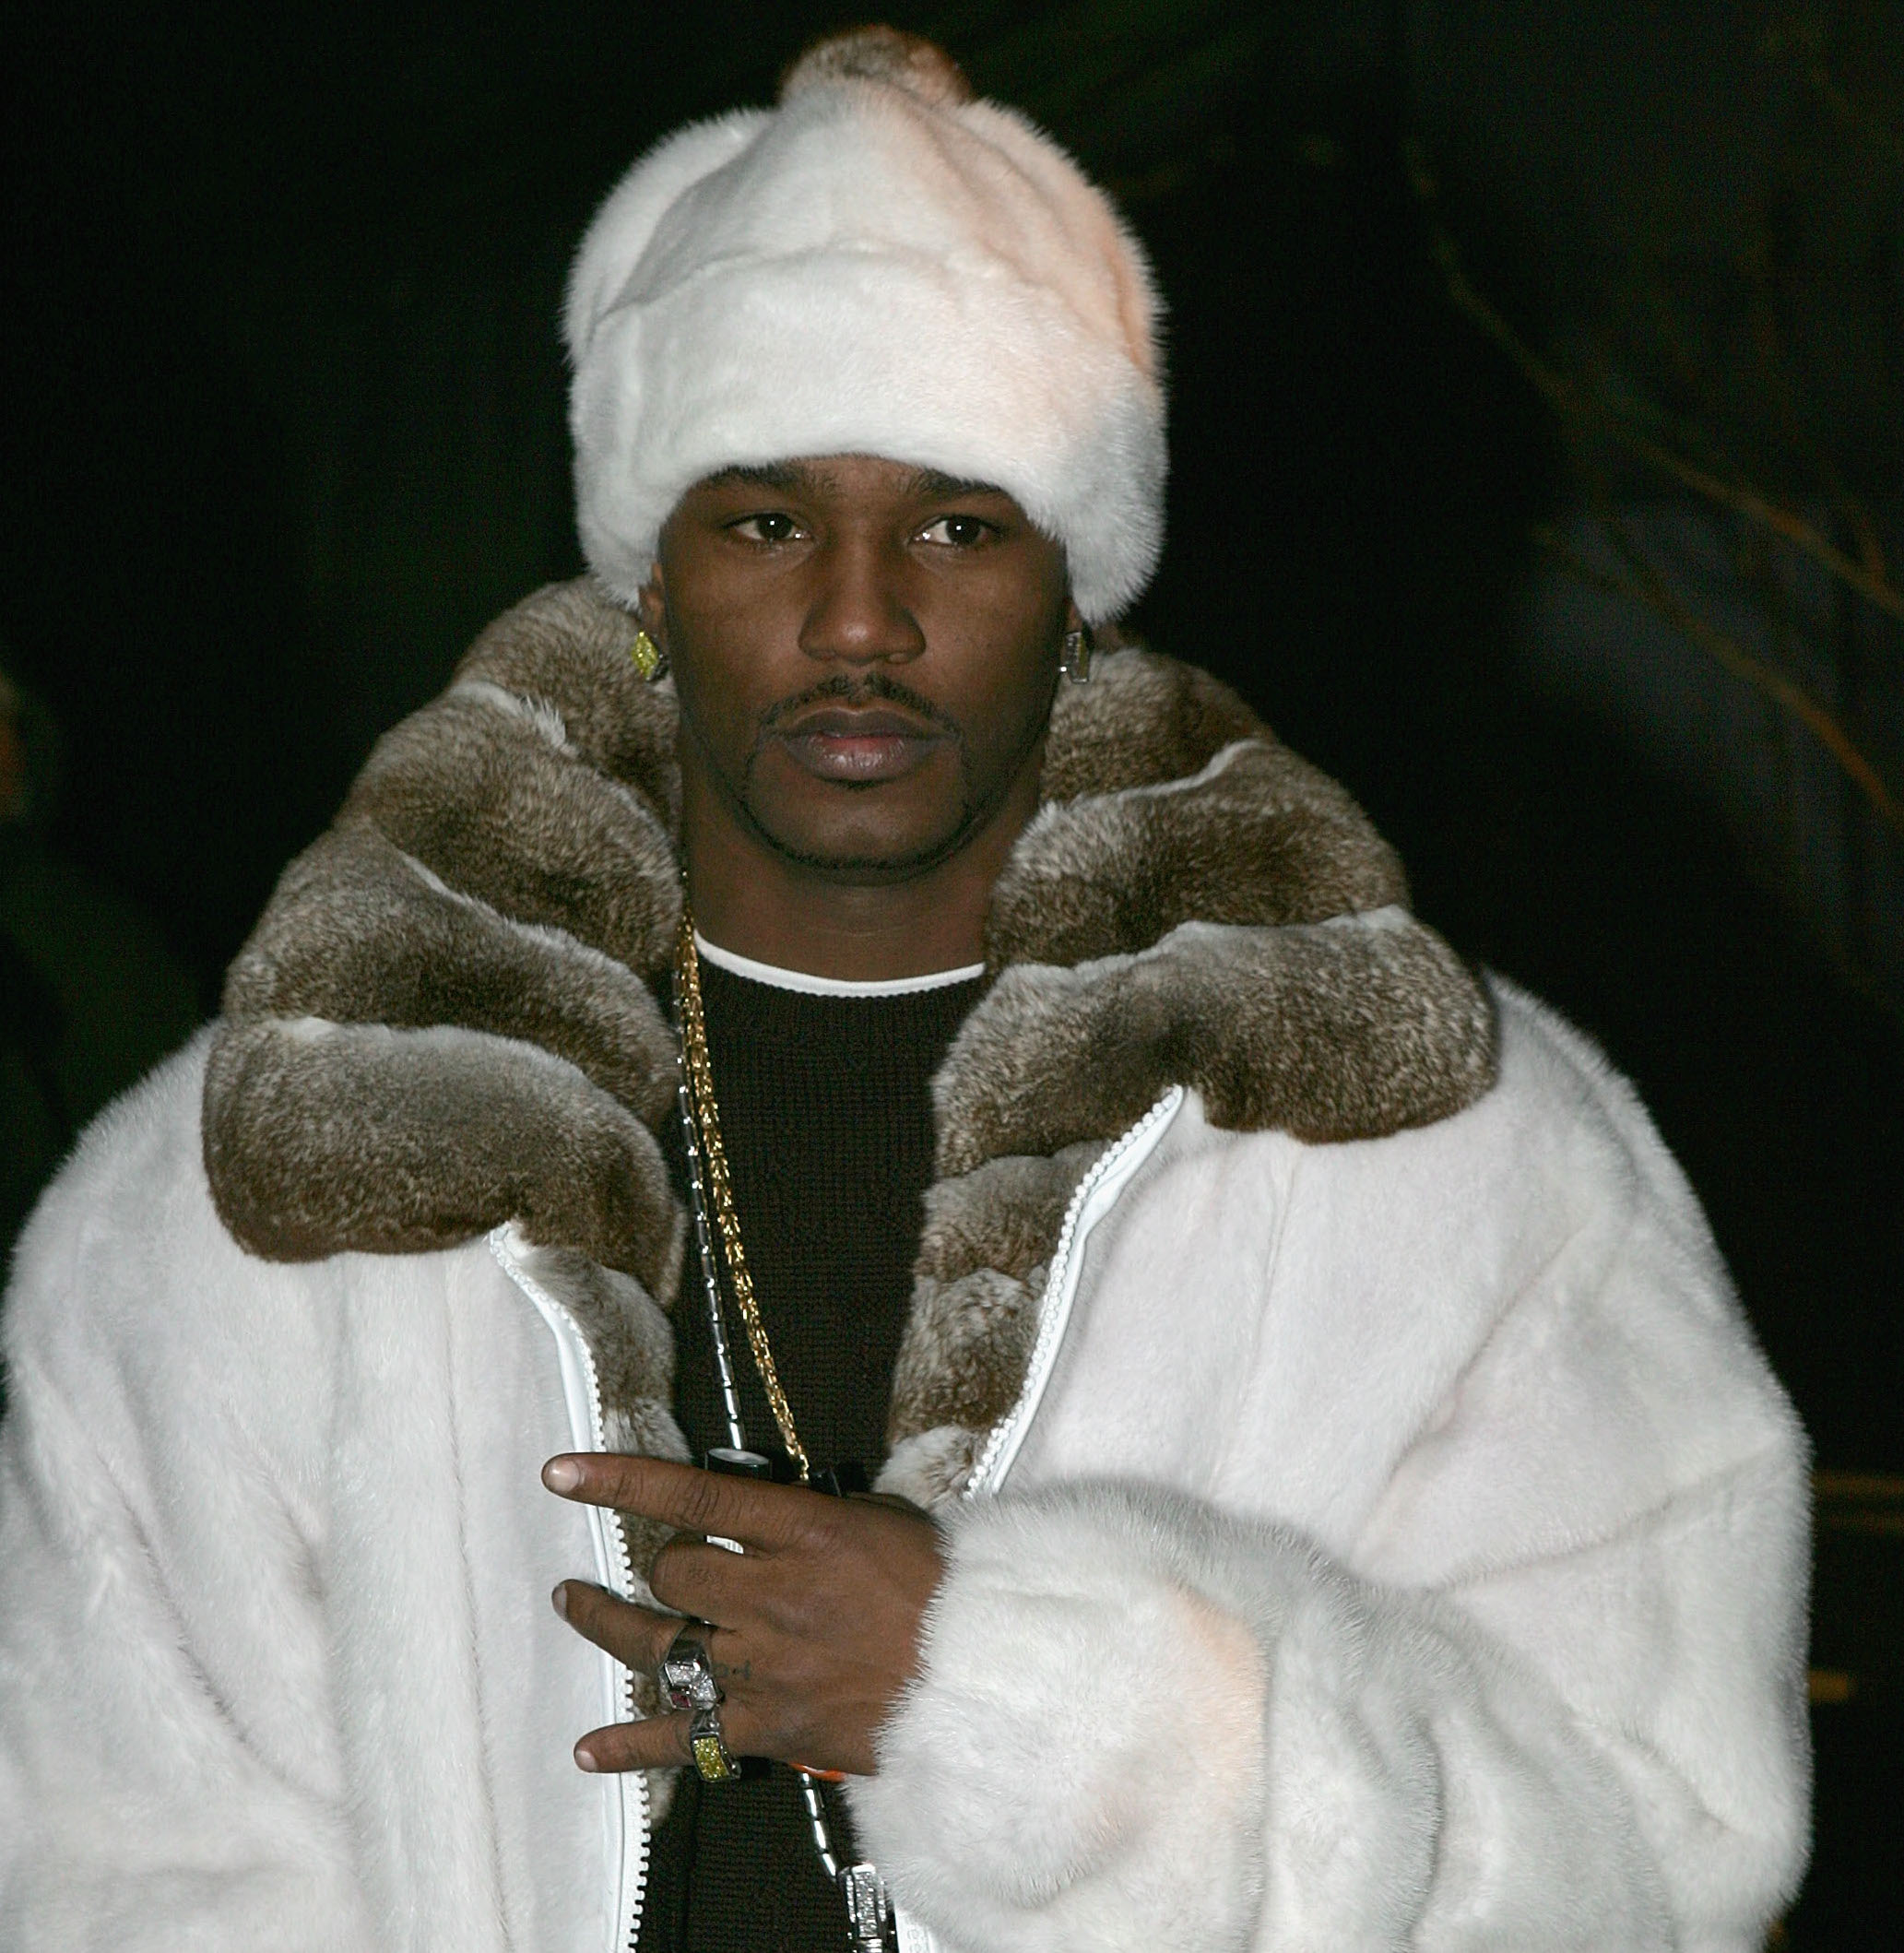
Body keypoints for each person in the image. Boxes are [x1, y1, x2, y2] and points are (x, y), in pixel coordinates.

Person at [0, 28, 1807, 1953]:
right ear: (647, 587)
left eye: (956, 523)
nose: (857, 617)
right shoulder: (271, 1191)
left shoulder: (1429, 1152)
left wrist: (1043, 1714)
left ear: (1076, 587)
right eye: (765, 521)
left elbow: (1664, 1859)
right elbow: (111, 1874)